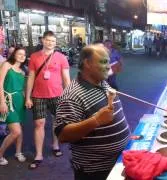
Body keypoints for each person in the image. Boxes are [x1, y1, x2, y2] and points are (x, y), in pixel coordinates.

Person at [54, 44, 130, 180]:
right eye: (103, 62)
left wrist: (125, 136)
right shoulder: (72, 95)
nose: (108, 66)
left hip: (117, 163)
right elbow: (63, 135)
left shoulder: (100, 82)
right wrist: (96, 120)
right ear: (87, 63)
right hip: (95, 171)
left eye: (108, 61)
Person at [25, 31, 70, 169]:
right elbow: (31, 77)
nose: (50, 43)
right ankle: (38, 154)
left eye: (52, 41)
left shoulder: (62, 57)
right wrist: (28, 97)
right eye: (47, 40)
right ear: (42, 40)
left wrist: (69, 96)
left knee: (57, 122)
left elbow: (66, 79)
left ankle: (55, 145)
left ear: (55, 42)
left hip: (57, 95)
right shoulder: (34, 57)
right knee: (39, 123)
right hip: (38, 96)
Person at [0, 47, 27, 165]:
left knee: (20, 129)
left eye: (24, 55)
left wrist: (27, 100)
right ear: (14, 55)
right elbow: (0, 84)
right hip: (8, 101)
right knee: (16, 131)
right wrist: (2, 102)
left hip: (20, 102)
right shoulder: (6, 65)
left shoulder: (23, 71)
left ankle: (18, 152)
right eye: (19, 54)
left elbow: (22, 88)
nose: (22, 56)